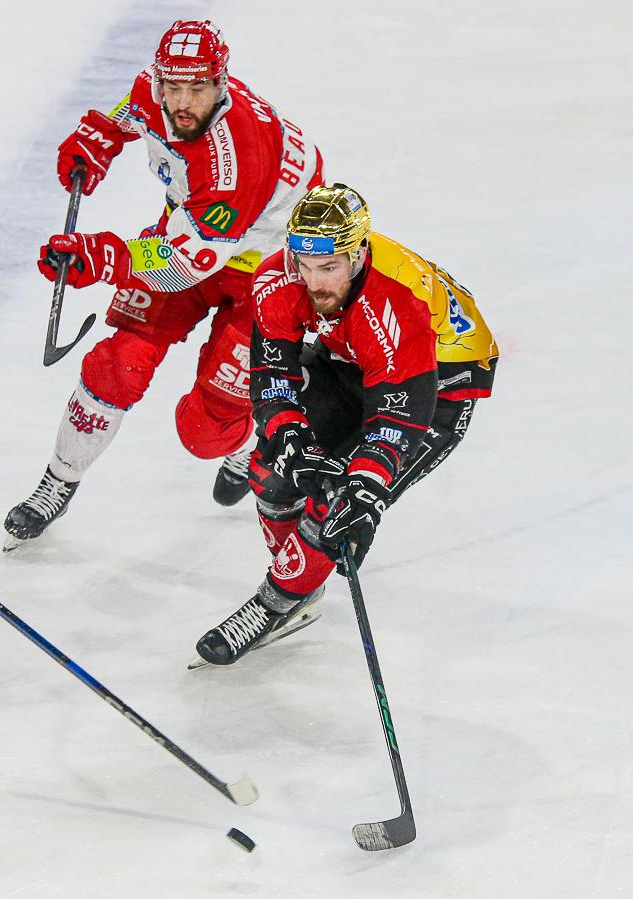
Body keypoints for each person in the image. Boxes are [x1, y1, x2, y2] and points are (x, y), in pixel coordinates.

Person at [3, 18, 325, 549]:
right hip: (193, 235)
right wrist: (101, 136)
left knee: (204, 432)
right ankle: (58, 480)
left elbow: (184, 264)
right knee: (117, 363)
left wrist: (104, 258)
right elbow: (130, 113)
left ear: (221, 83)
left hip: (266, 273)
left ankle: (252, 432)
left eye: (197, 88)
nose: (182, 102)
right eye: (172, 86)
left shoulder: (238, 159)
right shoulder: (153, 90)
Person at [192, 183, 499, 667]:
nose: (314, 282)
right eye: (305, 264)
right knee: (272, 470)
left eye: (329, 267)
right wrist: (288, 433)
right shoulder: (278, 277)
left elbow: (397, 417)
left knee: (339, 502)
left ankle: (277, 601)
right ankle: (299, 585)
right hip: (351, 357)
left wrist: (366, 486)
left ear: (357, 257)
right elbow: (272, 371)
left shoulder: (396, 303)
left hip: (438, 382)